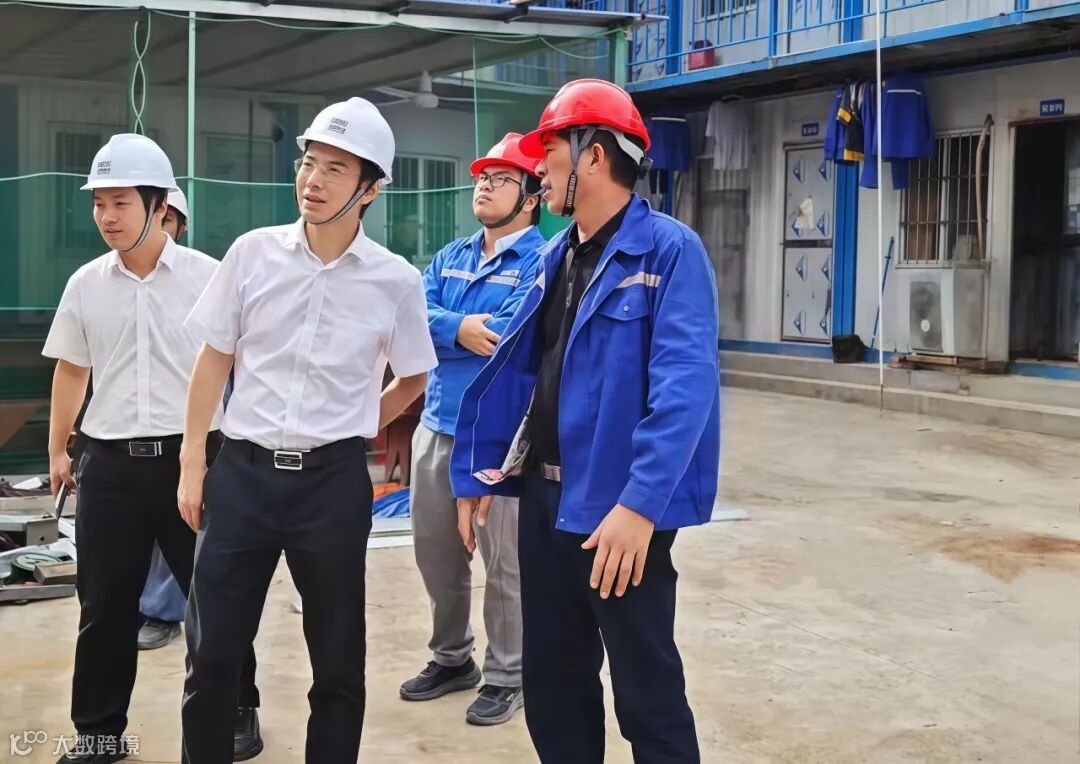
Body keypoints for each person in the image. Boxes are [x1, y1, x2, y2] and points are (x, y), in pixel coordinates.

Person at [451, 79, 720, 763]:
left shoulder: (669, 251)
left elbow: (685, 389)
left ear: (594, 155)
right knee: (555, 688)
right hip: (544, 504)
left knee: (647, 694)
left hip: (616, 513)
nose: (538, 167)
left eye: (550, 151)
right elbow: (522, 379)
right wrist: (482, 473)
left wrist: (640, 505)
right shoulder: (555, 255)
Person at [178, 97, 436, 764]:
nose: (312, 181)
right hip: (242, 476)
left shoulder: (395, 281)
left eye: (334, 170)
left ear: (370, 189)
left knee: (338, 662)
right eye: (309, 163)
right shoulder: (253, 254)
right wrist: (192, 463)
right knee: (212, 656)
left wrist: (358, 424)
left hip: (332, 488)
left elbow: (414, 376)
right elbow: (214, 359)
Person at [42, 134, 261, 764]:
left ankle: (236, 709)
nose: (106, 216)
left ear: (160, 205)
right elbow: (71, 370)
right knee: (104, 606)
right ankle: (99, 732)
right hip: (109, 464)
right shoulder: (85, 284)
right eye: (98, 203)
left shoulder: (209, 277)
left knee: (216, 597)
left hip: (197, 460)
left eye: (120, 203)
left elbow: (241, 365)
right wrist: (58, 451)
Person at [399, 134, 545, 726]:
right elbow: (411, 318)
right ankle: (451, 658)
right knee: (435, 553)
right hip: (437, 426)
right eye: (482, 175)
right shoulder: (450, 255)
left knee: (503, 563)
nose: (484, 185)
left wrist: (446, 329)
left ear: (532, 197)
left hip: (498, 437)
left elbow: (509, 339)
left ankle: (509, 673)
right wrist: (460, 329)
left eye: (501, 178)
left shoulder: (541, 261)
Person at [137, 188, 193, 652]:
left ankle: (164, 611)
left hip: (186, 430)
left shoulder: (201, 278)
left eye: (168, 220)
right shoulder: (104, 280)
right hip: (130, 433)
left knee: (183, 529)